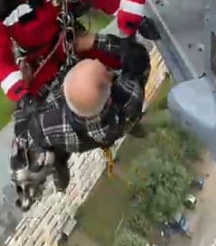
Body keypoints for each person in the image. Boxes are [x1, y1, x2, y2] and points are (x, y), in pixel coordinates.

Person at [10, 33, 150, 208]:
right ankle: (132, 127)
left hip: (75, 140)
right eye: (105, 69)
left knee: (52, 149)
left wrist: (26, 88)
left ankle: (58, 163)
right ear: (109, 95)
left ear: (61, 90)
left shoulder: (48, 123)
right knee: (126, 120)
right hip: (119, 124)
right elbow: (138, 57)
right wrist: (95, 42)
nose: (100, 62)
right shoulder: (130, 96)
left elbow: (23, 133)